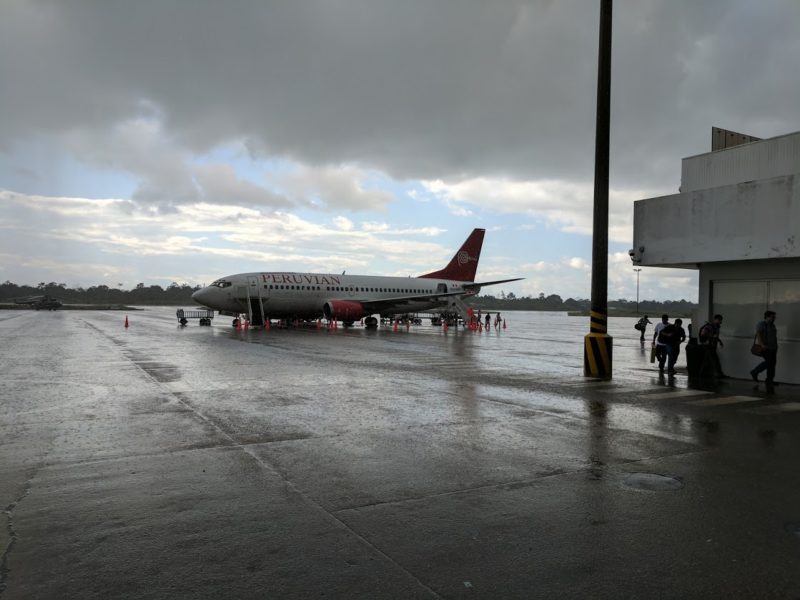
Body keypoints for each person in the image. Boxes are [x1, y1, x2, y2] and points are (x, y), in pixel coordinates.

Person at [750, 310, 778, 387]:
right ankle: (755, 372)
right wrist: (762, 344)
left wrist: (776, 346)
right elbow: (758, 334)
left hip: (773, 348)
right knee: (769, 362)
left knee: (772, 364)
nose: (774, 318)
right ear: (767, 317)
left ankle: (769, 380)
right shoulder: (761, 324)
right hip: (766, 348)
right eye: (772, 317)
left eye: (774, 317)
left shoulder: (772, 325)